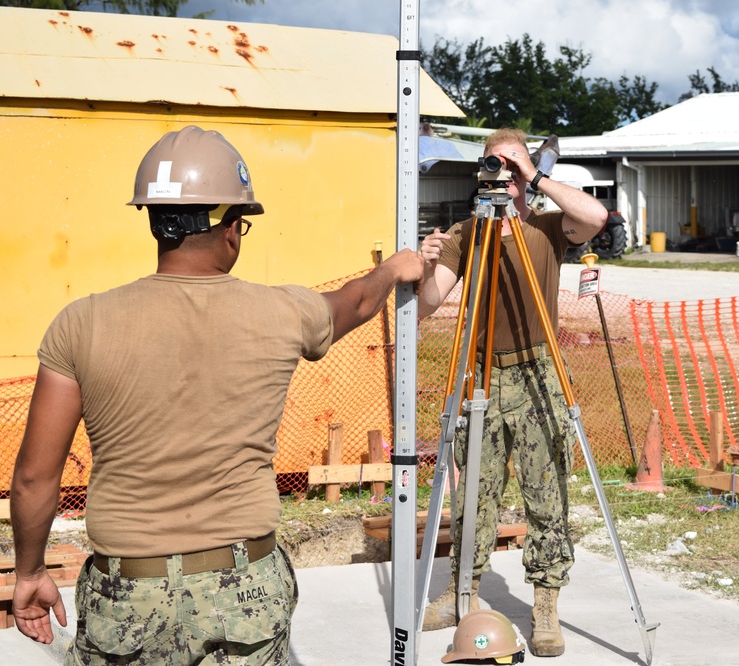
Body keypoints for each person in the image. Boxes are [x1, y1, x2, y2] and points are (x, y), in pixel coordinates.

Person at [11, 125, 424, 663]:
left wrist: (29, 572)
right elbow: (358, 301)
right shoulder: (283, 313)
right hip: (244, 590)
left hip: (127, 596)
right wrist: (396, 267)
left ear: (156, 223)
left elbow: (33, 477)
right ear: (231, 227)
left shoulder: (79, 323)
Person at [417, 128, 607, 657]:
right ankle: (463, 594)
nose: (501, 175)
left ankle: (545, 604)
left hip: (536, 373)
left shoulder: (546, 227)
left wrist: (537, 174)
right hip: (480, 374)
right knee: (473, 493)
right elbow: (430, 303)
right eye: (492, 165)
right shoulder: (467, 234)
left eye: (510, 166)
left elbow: (595, 219)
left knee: (546, 495)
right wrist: (428, 263)